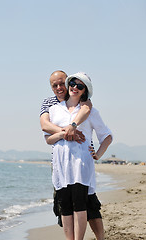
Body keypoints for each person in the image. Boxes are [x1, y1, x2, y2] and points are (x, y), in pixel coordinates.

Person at [41, 71, 112, 240]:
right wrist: (64, 132)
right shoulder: (53, 108)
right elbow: (47, 137)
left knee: (81, 204)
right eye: (72, 83)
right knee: (64, 205)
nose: (74, 87)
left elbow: (107, 136)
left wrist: (98, 154)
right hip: (60, 164)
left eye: (80, 86)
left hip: (81, 163)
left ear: (85, 90)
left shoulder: (89, 110)